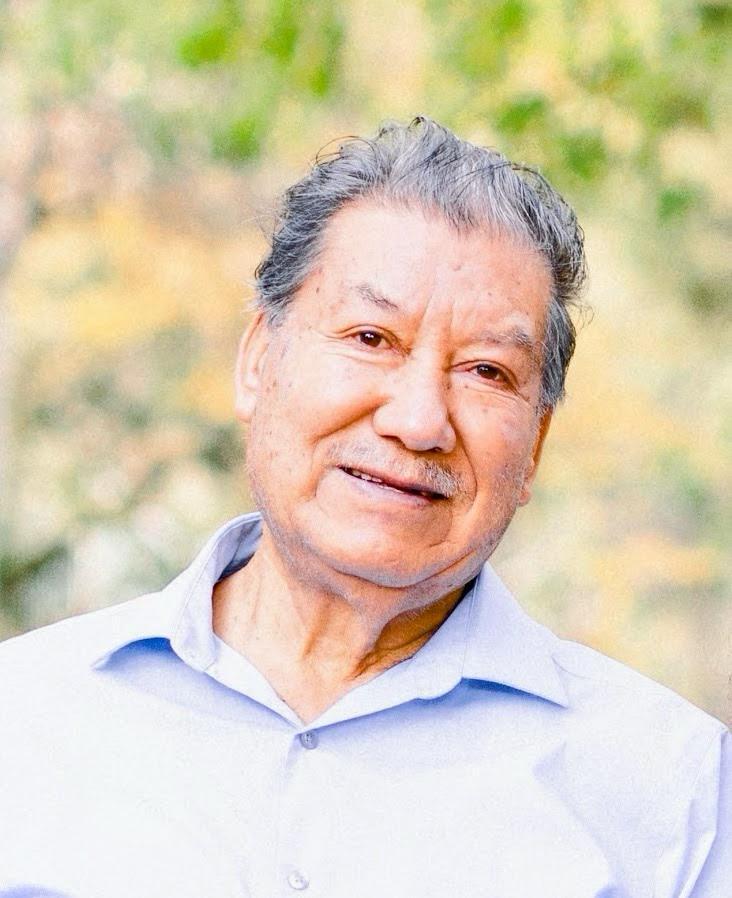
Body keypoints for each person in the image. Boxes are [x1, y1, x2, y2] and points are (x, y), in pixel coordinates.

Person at [0, 117, 728, 898]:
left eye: (486, 371)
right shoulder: (26, 719)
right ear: (257, 360)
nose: (419, 420)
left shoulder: (672, 792)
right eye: (372, 337)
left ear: (536, 443)